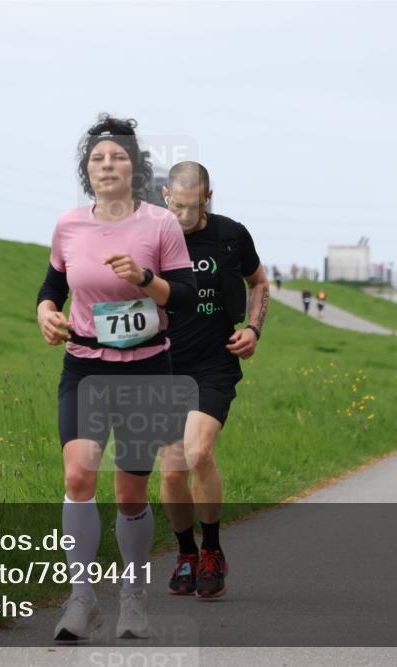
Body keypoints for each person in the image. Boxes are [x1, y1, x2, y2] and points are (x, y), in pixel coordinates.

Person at [36, 114, 196, 640]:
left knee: (130, 493)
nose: (108, 164)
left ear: (135, 168)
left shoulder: (161, 225)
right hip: (84, 366)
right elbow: (53, 283)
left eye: (119, 157)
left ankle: (132, 595)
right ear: (88, 170)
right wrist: (45, 311)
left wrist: (145, 279)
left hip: (147, 366)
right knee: (78, 478)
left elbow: (187, 297)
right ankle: (81, 599)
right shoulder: (68, 225)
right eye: (99, 157)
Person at [158, 161, 268, 599]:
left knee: (199, 451)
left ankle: (212, 551)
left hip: (214, 363)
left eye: (192, 206)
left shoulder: (230, 235)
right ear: (166, 195)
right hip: (163, 365)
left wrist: (254, 329)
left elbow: (258, 282)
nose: (183, 216)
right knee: (170, 473)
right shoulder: (152, 235)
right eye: (176, 205)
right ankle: (185, 553)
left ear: (208, 196)